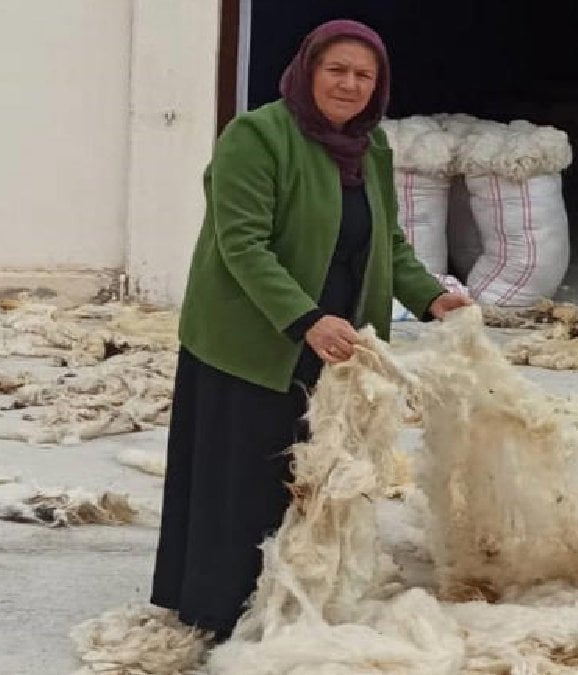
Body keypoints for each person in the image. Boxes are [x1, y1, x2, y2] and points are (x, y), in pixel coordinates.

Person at [150, 19, 474, 641]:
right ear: (308, 70)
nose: (349, 85)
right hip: (251, 339)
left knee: (313, 480)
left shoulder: (370, 147)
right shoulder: (257, 136)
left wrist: (433, 297)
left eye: (364, 75)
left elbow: (389, 243)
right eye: (337, 70)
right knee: (243, 478)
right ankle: (219, 609)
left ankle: (295, 596)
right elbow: (240, 242)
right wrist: (305, 320)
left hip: (336, 343)